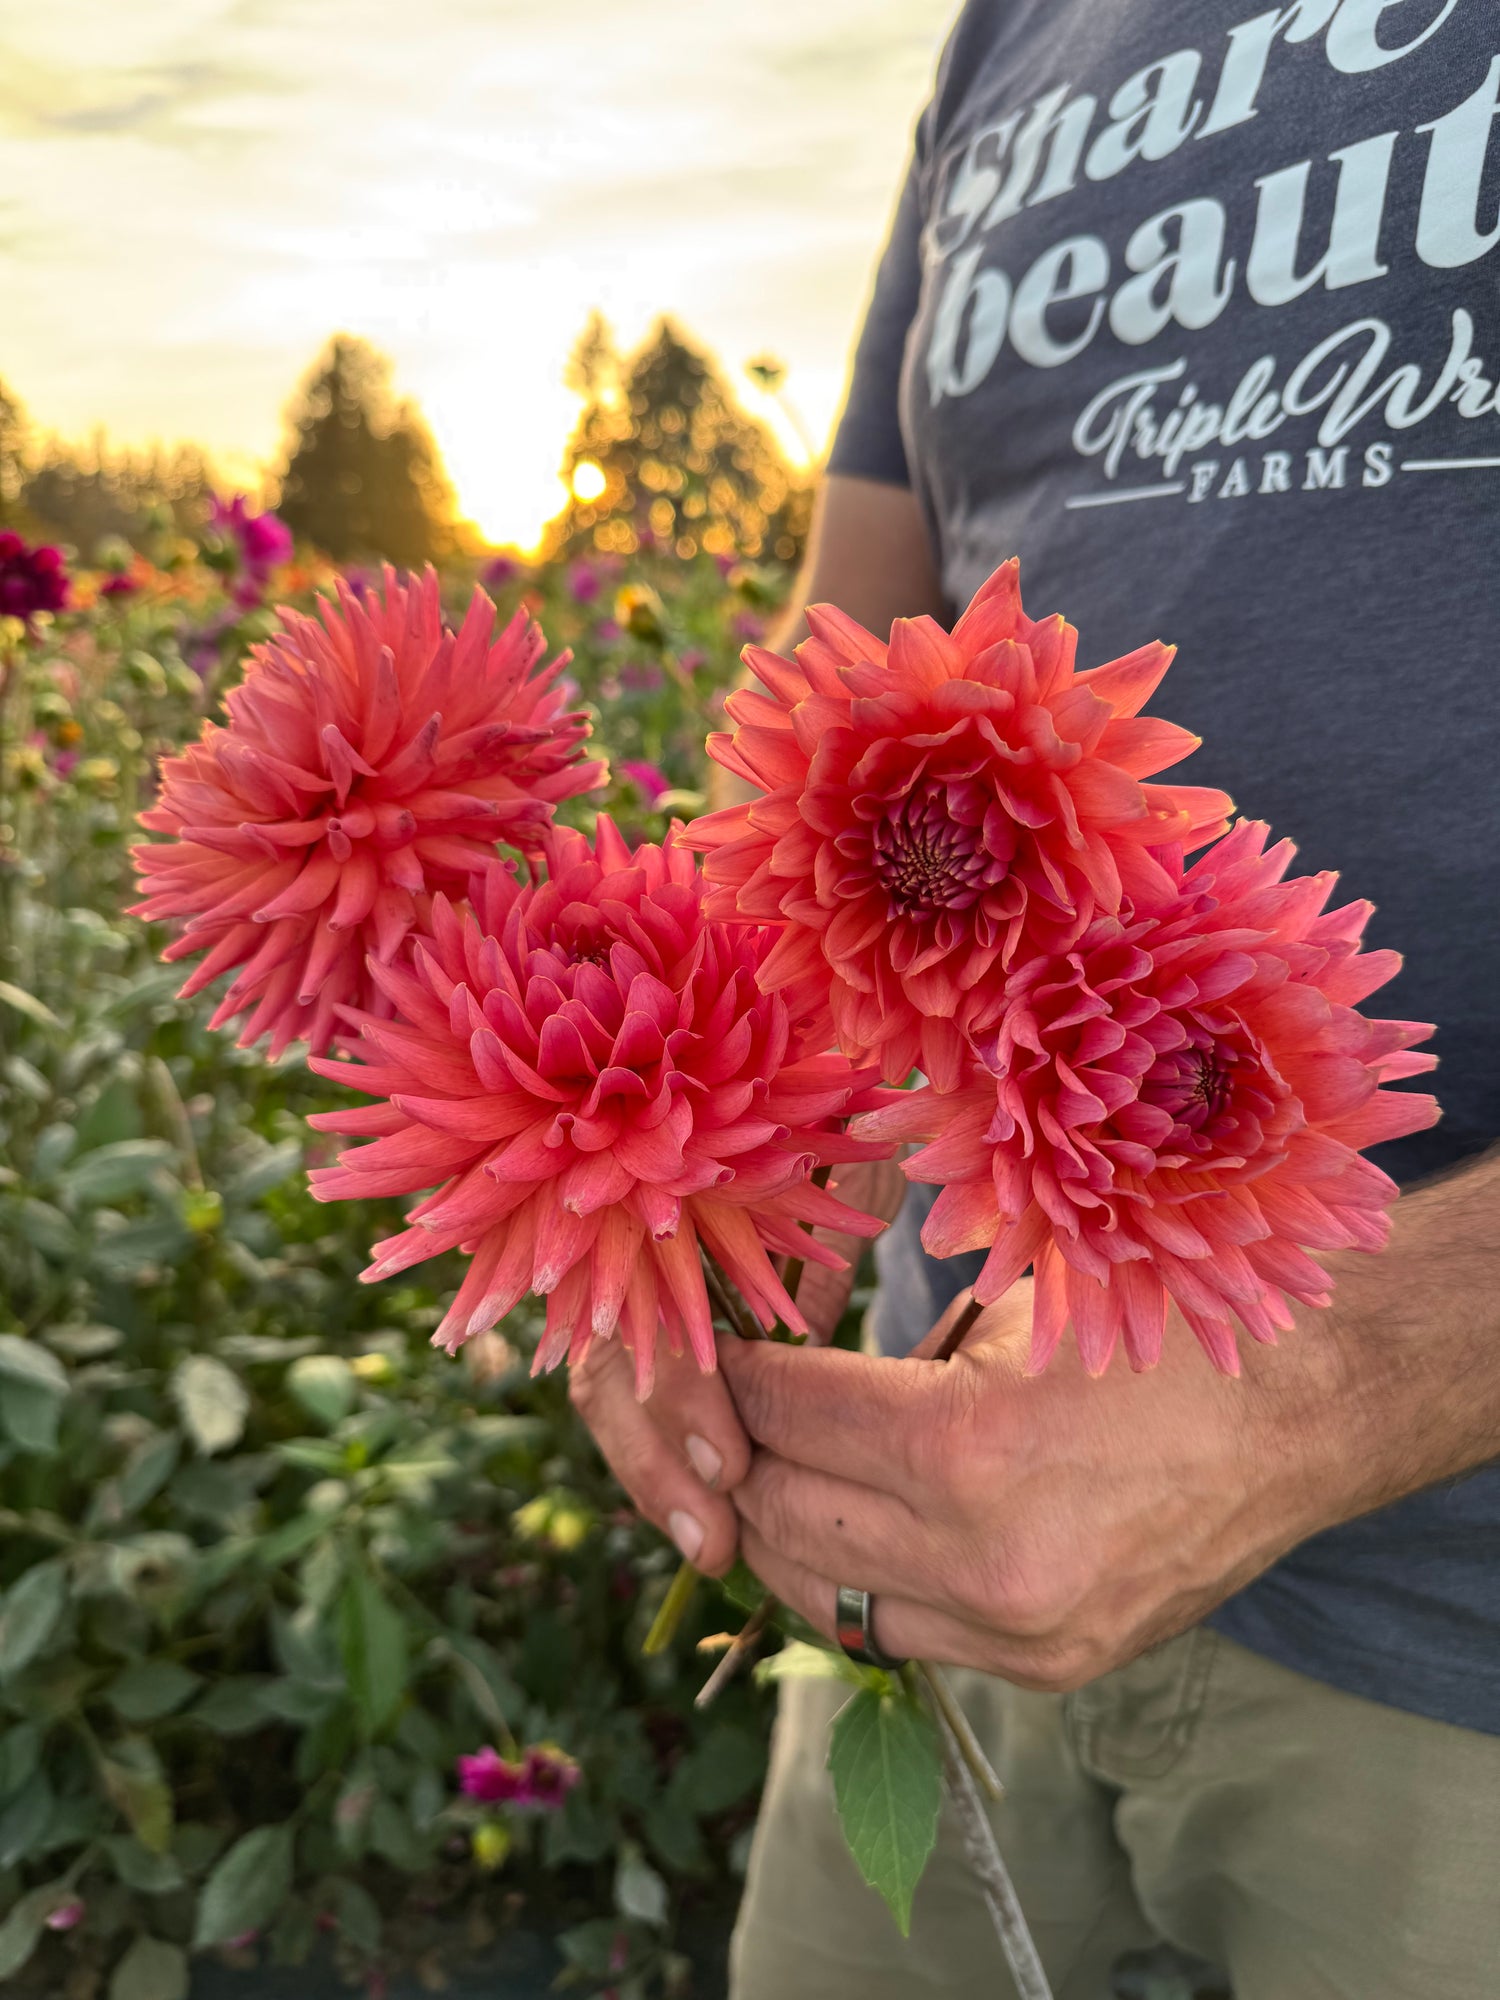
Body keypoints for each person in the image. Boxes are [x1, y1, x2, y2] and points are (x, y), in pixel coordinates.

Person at [571, 3, 1500, 1994]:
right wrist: (680, 1168)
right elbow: (840, 672)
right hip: (932, 1485)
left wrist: (1330, 1380)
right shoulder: (1011, 30)